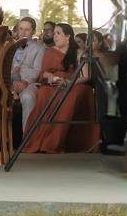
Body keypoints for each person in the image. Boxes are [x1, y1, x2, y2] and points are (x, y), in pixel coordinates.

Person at [21, 22, 98, 154]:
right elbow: (44, 73)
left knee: (74, 94)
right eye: (54, 33)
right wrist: (50, 76)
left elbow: (86, 77)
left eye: (58, 33)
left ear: (68, 36)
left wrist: (69, 82)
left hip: (73, 84)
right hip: (53, 84)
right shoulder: (50, 52)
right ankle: (39, 140)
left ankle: (54, 142)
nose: (54, 36)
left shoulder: (79, 53)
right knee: (44, 93)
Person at [8, 15, 45, 133]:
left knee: (28, 97)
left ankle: (28, 137)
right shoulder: (9, 47)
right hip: (9, 82)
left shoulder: (40, 49)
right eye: (21, 29)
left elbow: (37, 69)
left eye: (27, 30)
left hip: (28, 83)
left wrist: (25, 81)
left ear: (34, 31)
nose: (23, 32)